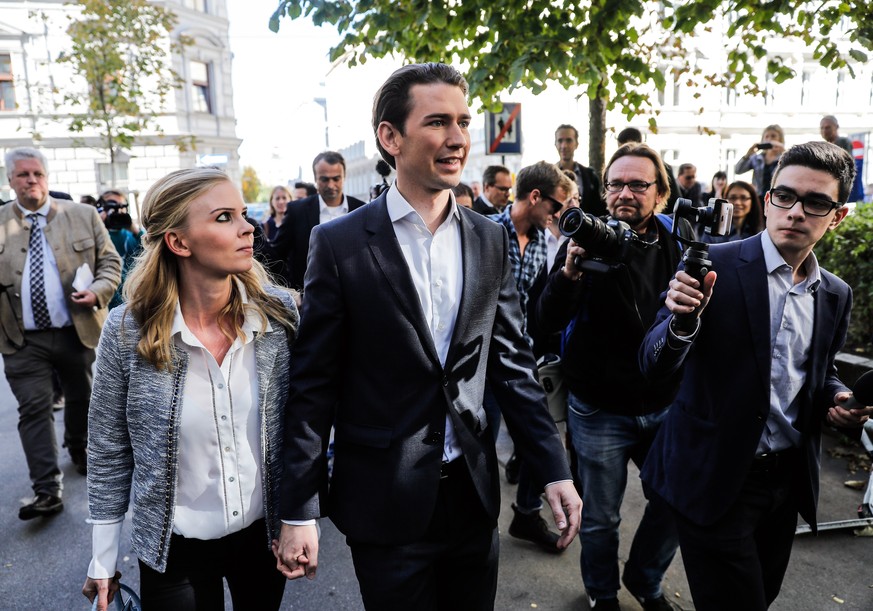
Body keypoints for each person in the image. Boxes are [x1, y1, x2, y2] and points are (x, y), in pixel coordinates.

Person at [274, 62, 581, 610]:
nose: (459, 137)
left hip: (471, 493)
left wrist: (552, 467)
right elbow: (314, 382)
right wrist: (298, 508)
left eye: (463, 121)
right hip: (383, 503)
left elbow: (512, 365)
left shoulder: (489, 239)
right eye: (438, 121)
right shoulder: (339, 243)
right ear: (390, 137)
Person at [639, 141, 870, 610]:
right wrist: (683, 323)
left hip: (785, 484)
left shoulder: (836, 293)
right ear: (767, 201)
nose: (796, 211)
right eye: (784, 196)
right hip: (713, 475)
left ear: (838, 216)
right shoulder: (713, 266)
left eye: (816, 202)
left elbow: (818, 375)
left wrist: (840, 399)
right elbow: (652, 362)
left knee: (762, 595)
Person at [81, 167, 298, 611]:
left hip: (263, 538)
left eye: (242, 214)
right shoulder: (127, 330)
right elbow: (108, 447)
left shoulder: (278, 316)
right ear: (179, 242)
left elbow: (306, 426)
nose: (247, 227)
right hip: (172, 548)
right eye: (224, 217)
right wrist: (102, 558)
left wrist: (300, 517)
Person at [536, 143, 691, 611]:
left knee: (675, 503)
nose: (625, 193)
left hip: (664, 404)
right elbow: (542, 324)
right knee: (601, 518)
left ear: (660, 194)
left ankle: (645, 580)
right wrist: (567, 277)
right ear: (603, 192)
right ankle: (603, 595)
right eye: (615, 184)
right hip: (599, 408)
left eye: (638, 184)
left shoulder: (679, 242)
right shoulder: (582, 242)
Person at [0, 147, 121, 519]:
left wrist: (98, 291)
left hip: (77, 330)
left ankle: (79, 445)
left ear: (47, 177)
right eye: (23, 175)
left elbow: (111, 263)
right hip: (21, 338)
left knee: (81, 397)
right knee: (33, 408)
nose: (31, 180)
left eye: (37, 173)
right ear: (10, 181)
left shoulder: (81, 216)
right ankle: (46, 489)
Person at [485, 161, 574, 554]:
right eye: (557, 206)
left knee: (540, 438)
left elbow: (536, 303)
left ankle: (526, 514)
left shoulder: (542, 239)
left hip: (522, 356)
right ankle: (478, 524)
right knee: (482, 443)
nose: (559, 215)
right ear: (535, 196)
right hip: (482, 360)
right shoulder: (486, 231)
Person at [266, 151, 366, 289]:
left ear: (344, 177)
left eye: (336, 179)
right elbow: (276, 256)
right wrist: (290, 290)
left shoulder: (361, 210)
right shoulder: (297, 211)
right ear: (315, 179)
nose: (331, 185)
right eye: (325, 179)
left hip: (354, 295)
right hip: (309, 297)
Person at [555, 124, 607, 216]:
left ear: (576, 144)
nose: (564, 146)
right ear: (555, 144)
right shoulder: (550, 175)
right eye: (560, 141)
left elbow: (598, 208)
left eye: (569, 140)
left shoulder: (589, 175)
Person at [734, 124, 786, 196]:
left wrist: (783, 151)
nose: (769, 139)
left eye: (773, 136)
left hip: (777, 197)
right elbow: (738, 170)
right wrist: (747, 155)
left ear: (780, 139)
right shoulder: (757, 158)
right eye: (766, 136)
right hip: (758, 197)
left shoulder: (784, 158)